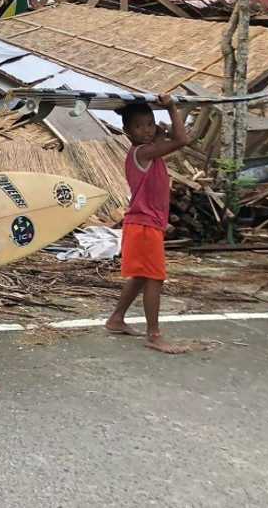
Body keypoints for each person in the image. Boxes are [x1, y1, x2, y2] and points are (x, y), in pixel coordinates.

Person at [104, 95, 191, 354]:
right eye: (139, 127)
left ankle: (116, 319)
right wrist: (173, 108)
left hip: (144, 224)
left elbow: (168, 138)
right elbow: (181, 139)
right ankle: (154, 335)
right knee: (154, 278)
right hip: (144, 226)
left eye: (150, 124)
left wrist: (159, 132)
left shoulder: (148, 151)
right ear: (127, 131)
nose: (147, 130)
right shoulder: (142, 152)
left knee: (142, 275)